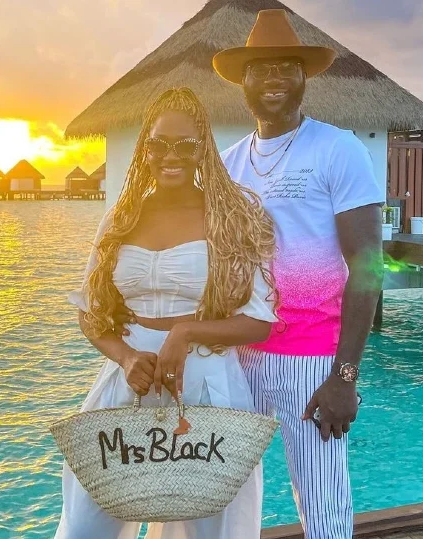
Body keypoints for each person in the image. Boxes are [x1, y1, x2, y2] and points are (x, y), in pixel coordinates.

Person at [56, 87, 279, 539]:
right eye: (158, 143)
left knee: (210, 528)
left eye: (184, 144)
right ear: (145, 148)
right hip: (128, 382)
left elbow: (260, 321)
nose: (170, 155)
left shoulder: (233, 216)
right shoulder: (121, 215)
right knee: (86, 524)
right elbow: (91, 311)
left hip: (207, 386)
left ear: (202, 150)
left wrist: (184, 332)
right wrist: (125, 357)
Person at [211, 9, 386, 539]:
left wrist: (345, 377)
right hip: (238, 354)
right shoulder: (228, 162)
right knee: (226, 494)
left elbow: (368, 265)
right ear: (243, 80)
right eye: (261, 69)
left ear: (304, 79)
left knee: (323, 503)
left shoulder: (337, 149)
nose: (274, 80)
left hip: (311, 358)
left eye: (287, 68)